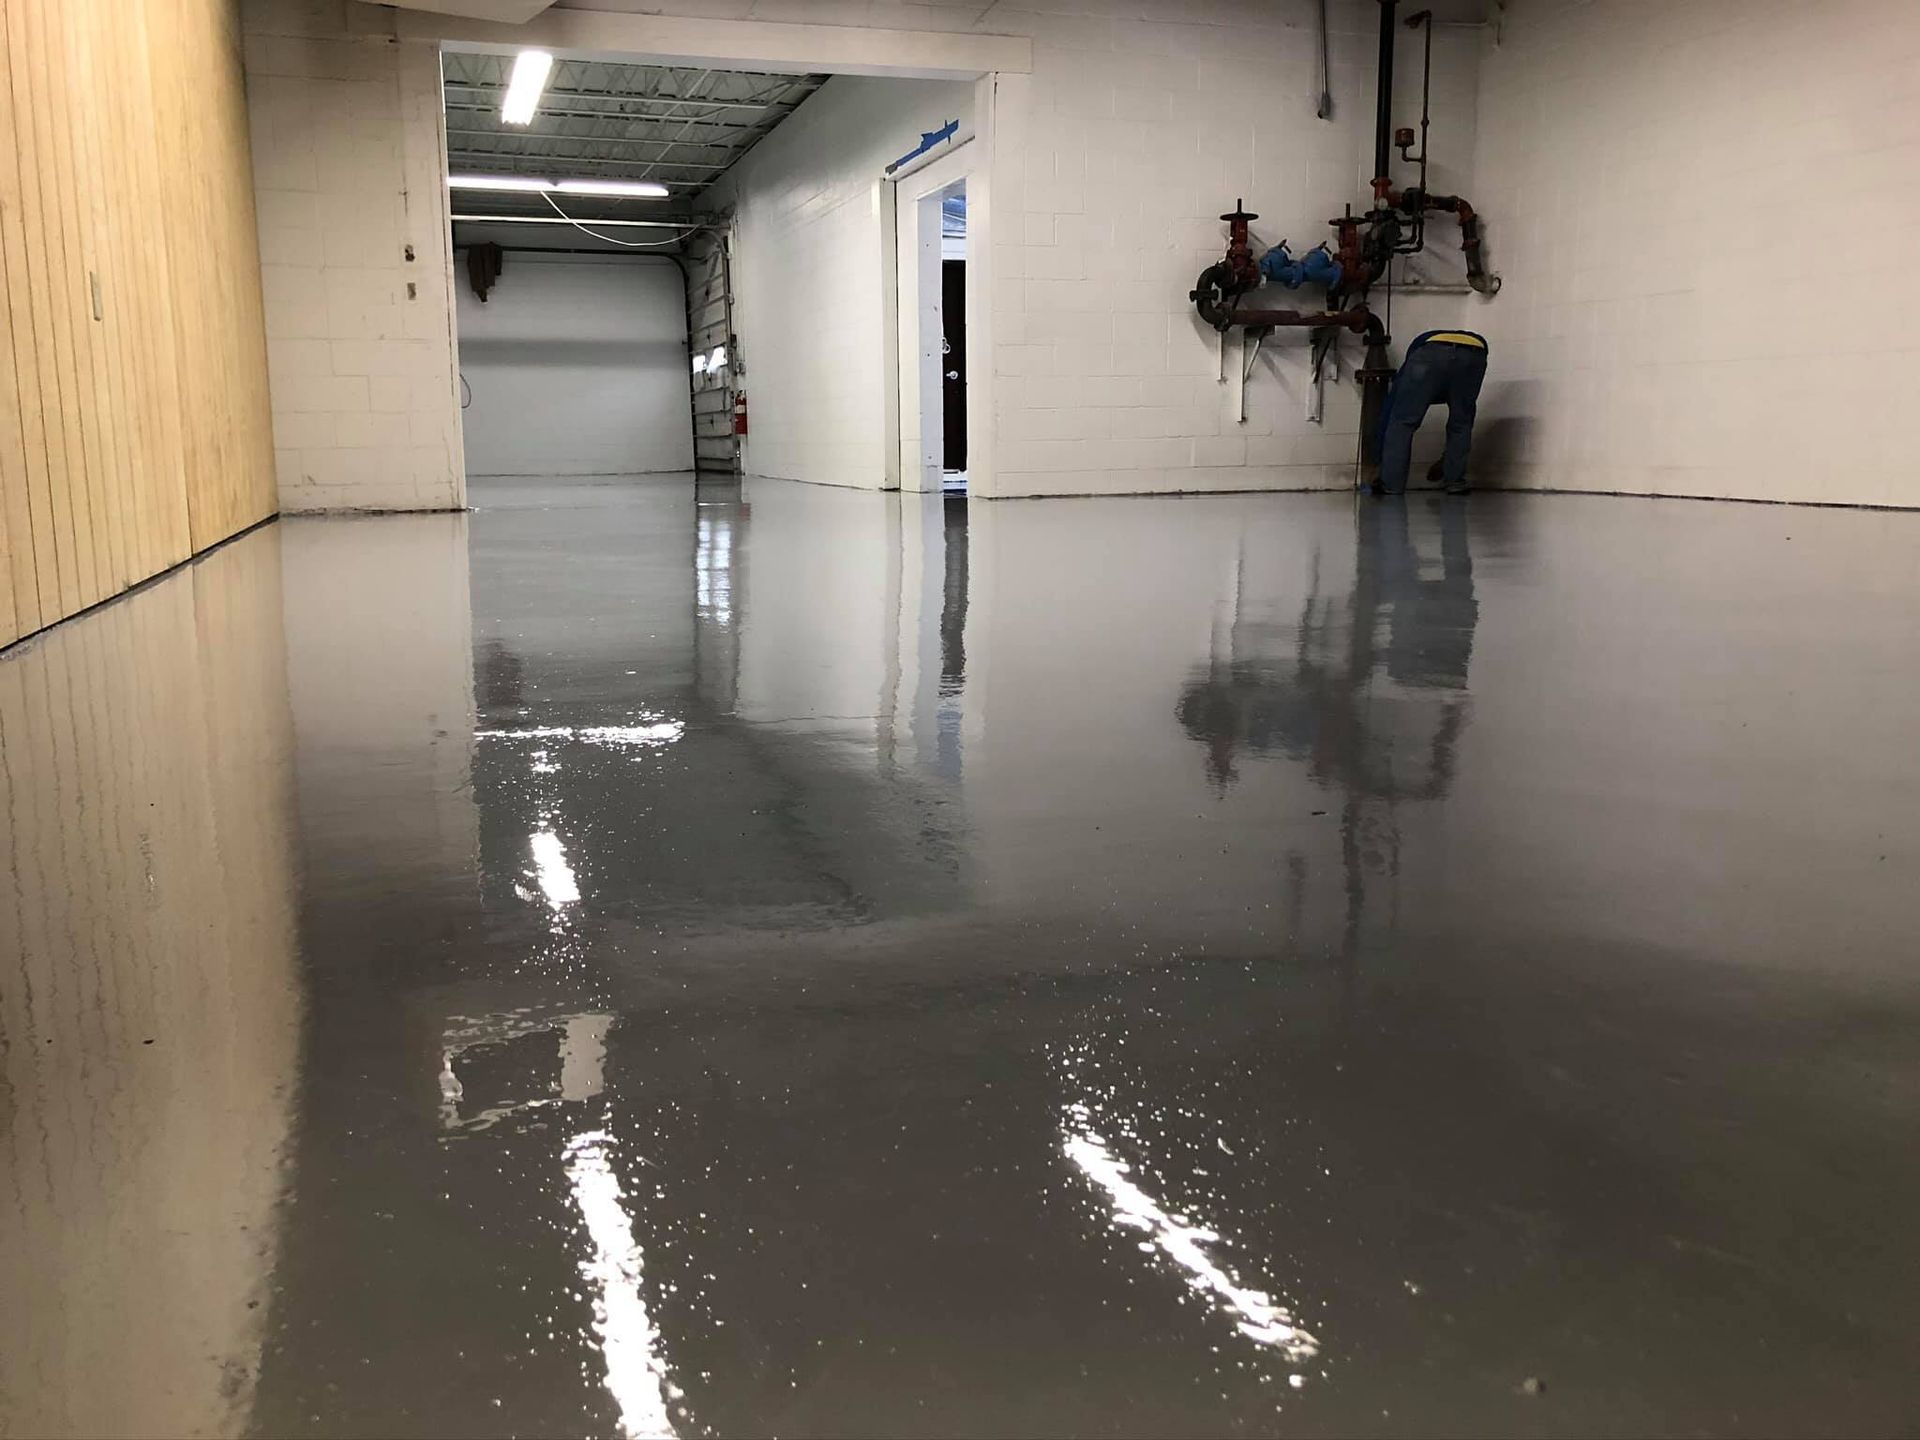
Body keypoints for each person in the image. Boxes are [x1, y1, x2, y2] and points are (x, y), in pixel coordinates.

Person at [1375, 329, 1488, 497]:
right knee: (1462, 423)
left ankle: (1392, 485)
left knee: (1403, 422)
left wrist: (1378, 457)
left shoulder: (1408, 369)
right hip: (1475, 352)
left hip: (1431, 351)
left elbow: (1391, 410)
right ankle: (1455, 483)